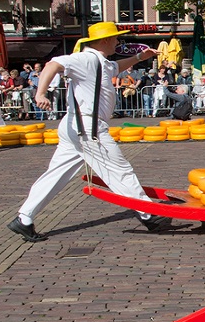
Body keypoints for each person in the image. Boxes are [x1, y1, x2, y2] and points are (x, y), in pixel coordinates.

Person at [9, 21, 169, 242]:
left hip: (76, 126)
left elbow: (117, 67)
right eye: (115, 38)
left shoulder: (100, 61)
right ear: (104, 40)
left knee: (57, 174)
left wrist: (141, 57)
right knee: (119, 170)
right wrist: (40, 93)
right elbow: (53, 64)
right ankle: (149, 214)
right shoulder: (86, 59)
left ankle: (24, 218)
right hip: (88, 128)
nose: (117, 42)